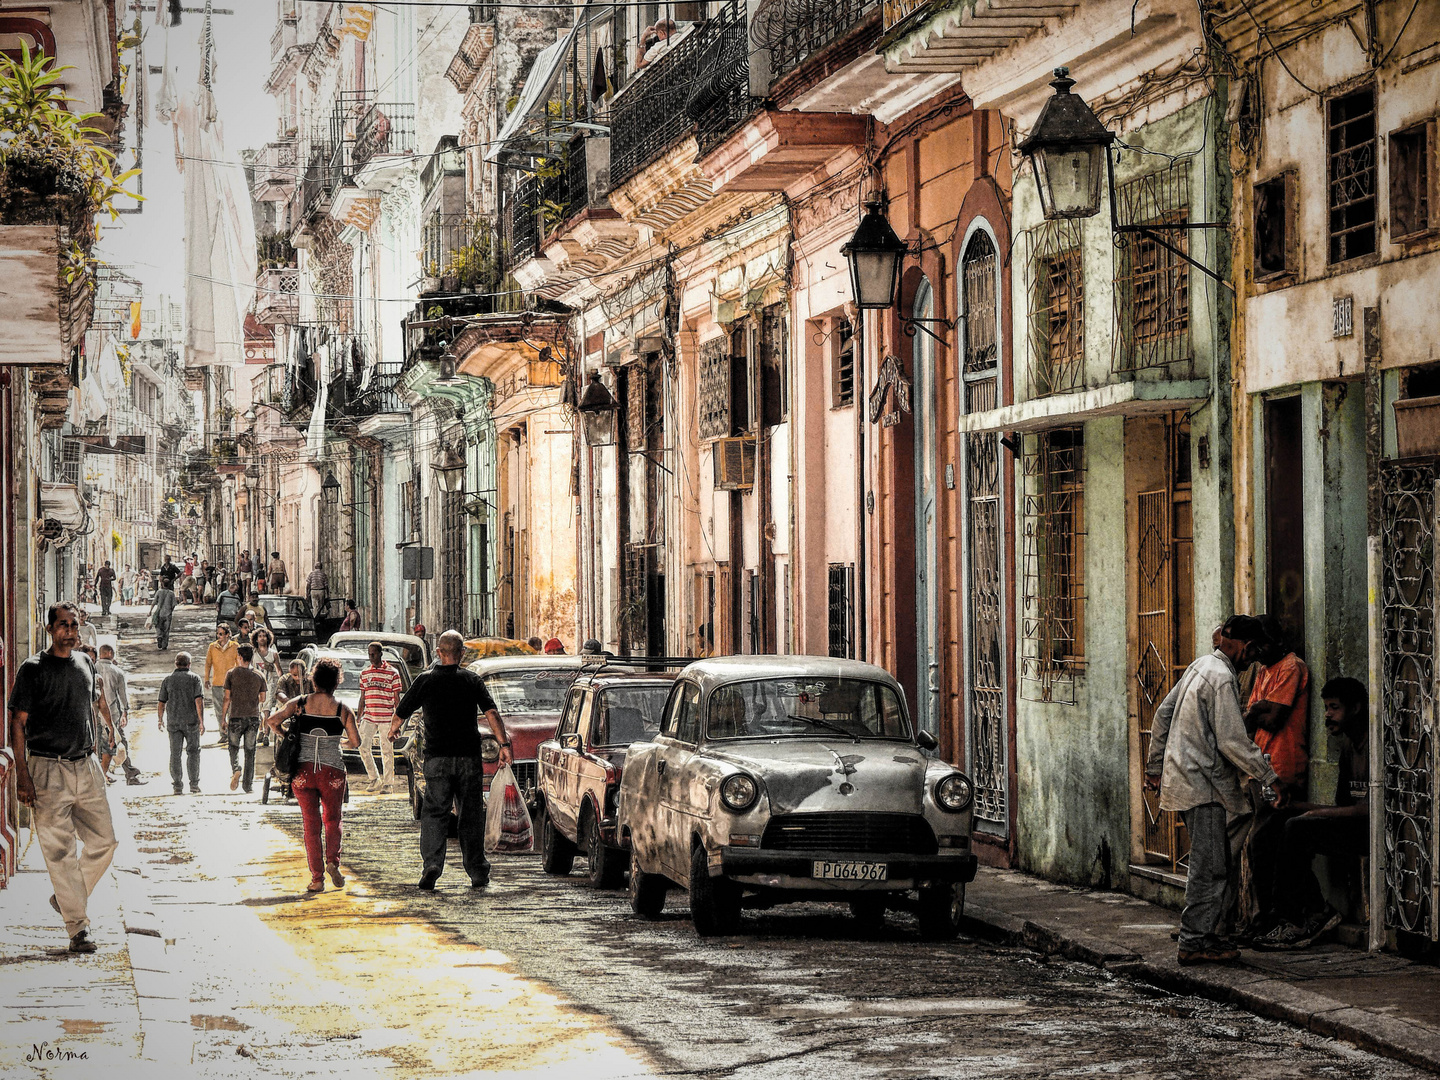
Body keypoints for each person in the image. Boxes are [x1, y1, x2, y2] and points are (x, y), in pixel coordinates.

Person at [1144, 615, 1283, 966]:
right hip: (1202, 785)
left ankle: (1208, 936)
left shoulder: (1200, 665)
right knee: (1209, 868)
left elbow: (1162, 714)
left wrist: (1155, 768)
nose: (1250, 660)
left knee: (1214, 863)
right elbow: (1233, 741)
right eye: (1250, 652)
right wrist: (1269, 776)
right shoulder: (1222, 677)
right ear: (1243, 645)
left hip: (1192, 781)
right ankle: (1193, 941)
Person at [8, 602, 118, 953]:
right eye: (63, 626)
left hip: (85, 767)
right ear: (49, 628)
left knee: (105, 842)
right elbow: (18, 723)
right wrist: (22, 776)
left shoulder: (86, 662)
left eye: (74, 625)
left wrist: (104, 744)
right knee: (60, 853)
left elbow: (91, 709)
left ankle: (67, 898)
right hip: (47, 768)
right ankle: (78, 928)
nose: (70, 632)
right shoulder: (32, 670)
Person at [1250, 677, 1371, 950]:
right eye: (1326, 707)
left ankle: (1302, 918)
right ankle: (1276, 916)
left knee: (1297, 829)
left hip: (1370, 832)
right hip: (1351, 824)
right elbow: (1342, 807)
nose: (1328, 715)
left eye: (1335, 707)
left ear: (1356, 708)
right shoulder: (1348, 747)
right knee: (1277, 821)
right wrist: (1295, 806)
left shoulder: (1373, 747)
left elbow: (1366, 811)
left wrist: (1308, 815)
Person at [391, 629, 513, 890]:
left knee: (435, 813)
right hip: (468, 758)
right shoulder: (471, 680)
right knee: (470, 815)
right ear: (462, 654)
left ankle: (433, 865)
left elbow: (402, 710)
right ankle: (477, 871)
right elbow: (491, 712)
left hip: (437, 759)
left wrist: (394, 728)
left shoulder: (425, 680)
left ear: (438, 653)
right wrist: (503, 745)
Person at [263, 660, 360, 892]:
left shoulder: (299, 703)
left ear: (313, 680)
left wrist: (287, 735)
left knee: (310, 824)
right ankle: (332, 862)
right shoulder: (343, 709)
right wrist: (336, 743)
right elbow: (356, 742)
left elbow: (271, 721)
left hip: (303, 773)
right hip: (332, 772)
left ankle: (317, 879)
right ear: (337, 682)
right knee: (333, 819)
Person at [1246, 616, 1310, 793]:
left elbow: (1274, 720)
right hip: (1263, 765)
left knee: (1272, 818)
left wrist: (1256, 709)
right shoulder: (1263, 670)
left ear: (1278, 641)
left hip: (1283, 766)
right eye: (1254, 646)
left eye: (1262, 644)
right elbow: (1249, 719)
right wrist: (1257, 709)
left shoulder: (1291, 666)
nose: (1258, 651)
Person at [158, 652, 206, 794]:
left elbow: (161, 702)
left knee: (175, 753)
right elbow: (199, 701)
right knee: (193, 752)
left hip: (173, 722)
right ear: (189, 664)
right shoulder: (195, 679)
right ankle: (194, 784)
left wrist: (160, 719)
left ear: (176, 663)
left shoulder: (168, 680)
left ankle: (177, 785)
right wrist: (201, 721)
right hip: (191, 722)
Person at [357, 642, 402, 794]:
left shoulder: (392, 672)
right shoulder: (365, 673)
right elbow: (362, 697)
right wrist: (359, 717)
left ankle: (388, 783)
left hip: (386, 717)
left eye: (374, 654)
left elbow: (396, 698)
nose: (371, 657)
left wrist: (398, 719)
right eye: (369, 654)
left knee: (387, 750)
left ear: (380, 654)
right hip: (369, 716)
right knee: (363, 746)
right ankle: (374, 778)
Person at [224, 644, 269, 794]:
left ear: (240, 657)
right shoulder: (259, 675)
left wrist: (223, 717)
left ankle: (236, 769)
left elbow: (226, 698)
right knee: (250, 751)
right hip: (253, 717)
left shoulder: (231, 674)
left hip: (236, 716)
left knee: (233, 747)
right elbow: (263, 698)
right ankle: (248, 786)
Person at [97, 645, 144, 786]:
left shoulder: (92, 668)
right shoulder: (117, 671)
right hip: (112, 714)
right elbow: (122, 695)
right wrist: (126, 711)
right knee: (116, 744)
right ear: (110, 653)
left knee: (103, 744)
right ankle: (109, 775)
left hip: (95, 714)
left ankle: (128, 772)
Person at [203, 624, 239, 745]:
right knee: (219, 710)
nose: (219, 636)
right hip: (217, 683)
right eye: (218, 634)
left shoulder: (235, 646)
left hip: (232, 684)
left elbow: (239, 664)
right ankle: (223, 733)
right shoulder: (212, 647)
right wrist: (207, 678)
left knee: (232, 710)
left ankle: (232, 734)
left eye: (221, 634)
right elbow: (208, 664)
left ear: (228, 635)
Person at [148, 577, 178, 651]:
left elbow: (154, 602)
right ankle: (164, 645)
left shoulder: (159, 592)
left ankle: (159, 636)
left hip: (159, 613)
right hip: (168, 614)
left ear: (162, 584)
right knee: (166, 630)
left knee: (158, 626)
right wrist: (171, 610)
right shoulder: (171, 593)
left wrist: (150, 611)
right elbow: (174, 604)